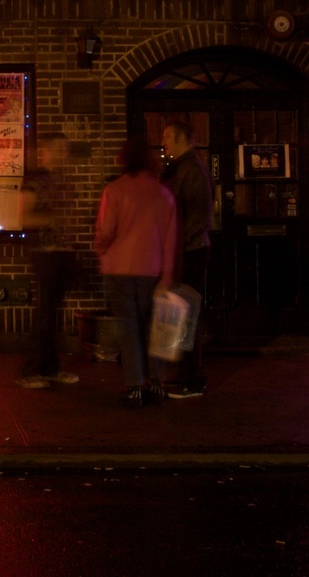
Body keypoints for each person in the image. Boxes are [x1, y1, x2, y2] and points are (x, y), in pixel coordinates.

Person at [94, 138, 177, 407]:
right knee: (155, 328)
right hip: (152, 269)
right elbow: (170, 238)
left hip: (119, 266)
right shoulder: (163, 194)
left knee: (128, 327)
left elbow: (106, 231)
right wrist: (166, 275)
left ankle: (134, 385)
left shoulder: (115, 190)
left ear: (124, 159)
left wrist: (100, 248)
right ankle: (156, 381)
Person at [16, 133, 80, 388]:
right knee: (45, 314)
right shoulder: (34, 182)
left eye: (66, 148)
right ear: (46, 151)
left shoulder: (64, 181)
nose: (63, 153)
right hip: (44, 254)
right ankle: (30, 371)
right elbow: (24, 219)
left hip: (63, 252)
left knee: (52, 313)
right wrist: (51, 219)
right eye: (58, 148)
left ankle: (50, 368)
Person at [160, 119, 213, 399]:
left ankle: (193, 380)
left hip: (190, 251)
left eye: (168, 136)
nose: (164, 142)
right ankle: (184, 374)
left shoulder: (191, 169)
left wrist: (176, 244)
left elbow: (198, 216)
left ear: (181, 138)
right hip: (185, 249)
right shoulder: (182, 167)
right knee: (182, 313)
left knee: (188, 313)